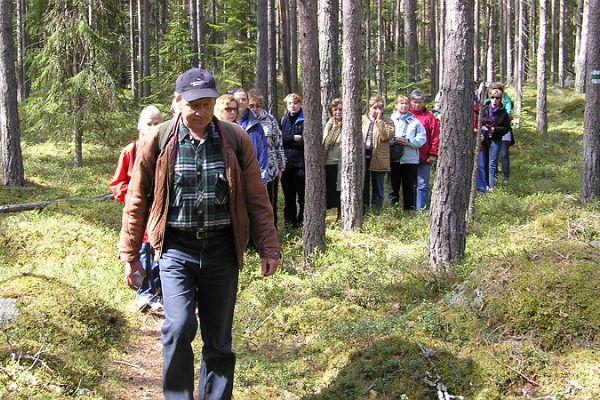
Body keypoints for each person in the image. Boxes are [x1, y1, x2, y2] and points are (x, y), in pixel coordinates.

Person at [118, 68, 280, 400]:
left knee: (219, 340)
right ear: (177, 102)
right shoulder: (158, 140)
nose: (201, 111)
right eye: (193, 104)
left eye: (207, 104)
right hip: (176, 250)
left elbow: (256, 198)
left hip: (221, 249)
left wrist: (268, 247)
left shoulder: (235, 139)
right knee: (178, 328)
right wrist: (130, 255)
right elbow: (136, 201)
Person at [110, 105, 163, 312]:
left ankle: (159, 295)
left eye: (156, 123)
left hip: (160, 215)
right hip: (139, 217)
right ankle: (143, 294)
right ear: (140, 126)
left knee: (160, 254)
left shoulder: (166, 149)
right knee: (141, 255)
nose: (152, 127)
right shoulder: (130, 151)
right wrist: (134, 197)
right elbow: (117, 184)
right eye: (148, 123)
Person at [248, 90, 286, 228]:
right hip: (251, 169)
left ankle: (272, 231)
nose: (255, 109)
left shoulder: (270, 120)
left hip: (270, 168)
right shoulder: (244, 120)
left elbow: (278, 144)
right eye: (251, 105)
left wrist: (281, 167)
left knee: (270, 202)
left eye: (257, 106)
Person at [388, 95, 426, 210]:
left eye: (406, 103)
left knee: (409, 188)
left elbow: (422, 139)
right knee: (392, 189)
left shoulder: (415, 122)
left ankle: (409, 212)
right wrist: (394, 141)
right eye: (401, 103)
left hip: (410, 160)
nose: (403, 106)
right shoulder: (390, 121)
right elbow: (383, 138)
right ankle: (392, 212)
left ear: (409, 106)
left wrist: (408, 142)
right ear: (396, 105)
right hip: (394, 159)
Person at [361, 95, 396, 212]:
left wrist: (379, 121)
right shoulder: (361, 119)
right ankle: (363, 212)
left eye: (380, 108)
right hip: (363, 158)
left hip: (379, 158)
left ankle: (377, 212)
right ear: (369, 107)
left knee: (378, 188)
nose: (377, 110)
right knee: (363, 188)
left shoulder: (388, 121)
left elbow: (387, 136)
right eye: (375, 108)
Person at [409, 89, 439, 210]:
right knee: (411, 184)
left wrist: (433, 153)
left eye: (419, 102)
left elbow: (435, 137)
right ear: (411, 101)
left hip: (424, 156)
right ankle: (411, 207)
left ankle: (421, 209)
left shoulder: (429, 117)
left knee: (422, 184)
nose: (417, 105)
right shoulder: (407, 115)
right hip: (409, 156)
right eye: (415, 102)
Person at [232, 88, 269, 184]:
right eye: (238, 99)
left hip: (252, 174)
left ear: (247, 101)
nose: (241, 102)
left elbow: (263, 150)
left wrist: (262, 176)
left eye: (244, 99)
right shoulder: (227, 121)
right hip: (233, 175)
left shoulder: (255, 123)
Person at [280, 93, 305, 228]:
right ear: (287, 105)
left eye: (295, 103)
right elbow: (279, 140)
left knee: (302, 197)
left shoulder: (305, 120)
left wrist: (287, 140)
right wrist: (292, 138)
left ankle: (302, 223)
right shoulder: (282, 120)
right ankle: (290, 224)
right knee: (288, 197)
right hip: (286, 164)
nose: (293, 106)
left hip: (300, 164)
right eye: (290, 103)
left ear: (300, 104)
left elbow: (304, 142)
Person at [480, 87, 512, 190]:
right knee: (483, 162)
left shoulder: (503, 112)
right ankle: (484, 184)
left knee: (492, 163)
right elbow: (478, 123)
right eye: (493, 97)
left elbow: (506, 128)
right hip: (484, 139)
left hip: (496, 139)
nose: (495, 100)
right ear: (489, 98)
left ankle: (491, 185)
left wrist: (496, 130)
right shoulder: (484, 110)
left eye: (497, 98)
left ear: (500, 99)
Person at [322, 98, 343, 220]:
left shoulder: (348, 126)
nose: (338, 112)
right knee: (329, 192)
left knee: (341, 192)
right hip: (328, 163)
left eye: (340, 109)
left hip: (340, 164)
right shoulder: (329, 125)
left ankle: (340, 217)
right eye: (335, 110)